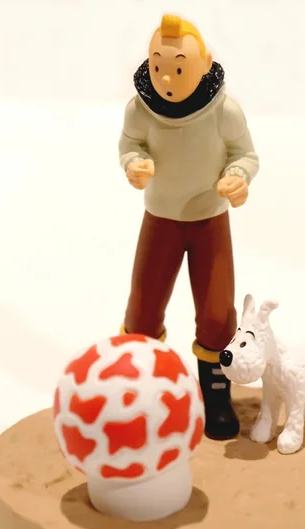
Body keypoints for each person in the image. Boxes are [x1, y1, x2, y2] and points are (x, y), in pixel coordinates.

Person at [118, 13, 259, 440]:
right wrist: (134, 163)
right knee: (143, 308)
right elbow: (130, 144)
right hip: (160, 219)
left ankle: (215, 393)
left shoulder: (223, 111)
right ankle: (139, 387)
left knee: (217, 311)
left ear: (205, 64)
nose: (166, 78)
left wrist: (238, 177)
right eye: (158, 66)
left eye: (178, 69)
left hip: (209, 220)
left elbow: (245, 154)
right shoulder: (140, 109)